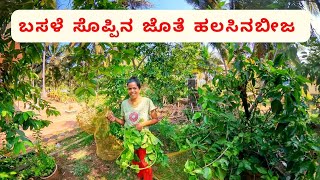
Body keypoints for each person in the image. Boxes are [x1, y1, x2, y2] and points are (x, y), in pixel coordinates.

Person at [106, 76, 159, 180]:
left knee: (145, 162)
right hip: (130, 139)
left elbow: (155, 119)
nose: (132, 91)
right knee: (135, 160)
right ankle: (140, 176)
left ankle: (147, 178)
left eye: (134, 88)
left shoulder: (147, 101)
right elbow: (124, 122)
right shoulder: (124, 103)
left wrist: (142, 125)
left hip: (143, 138)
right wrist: (114, 119)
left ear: (139, 89)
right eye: (129, 88)